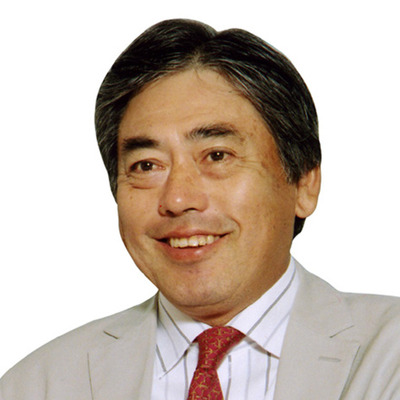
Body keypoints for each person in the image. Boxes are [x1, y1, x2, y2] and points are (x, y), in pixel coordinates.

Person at [1, 18, 399, 400]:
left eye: (217, 156)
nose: (177, 199)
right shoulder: (37, 385)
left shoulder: (388, 356)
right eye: (146, 166)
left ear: (304, 183)